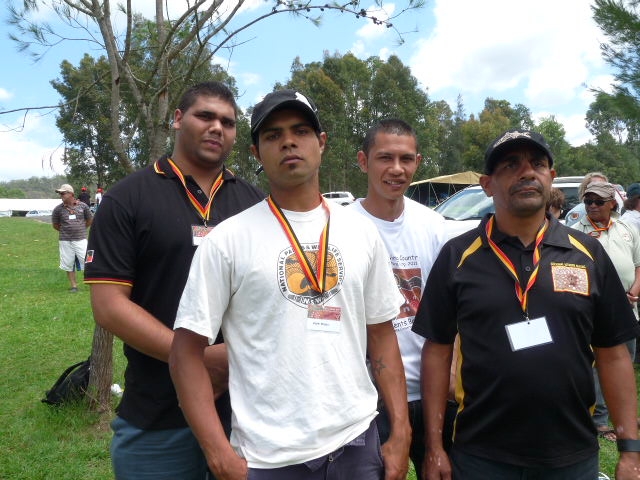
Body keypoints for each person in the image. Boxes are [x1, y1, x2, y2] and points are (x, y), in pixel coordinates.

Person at [170, 89, 411, 480]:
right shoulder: (227, 240)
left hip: (357, 445)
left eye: (300, 130)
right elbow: (185, 354)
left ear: (322, 143)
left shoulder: (360, 233)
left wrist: (400, 431)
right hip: (269, 460)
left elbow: (382, 334)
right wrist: (218, 453)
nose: (288, 142)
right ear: (256, 153)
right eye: (272, 135)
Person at [413, 129, 640, 479]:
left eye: (537, 163)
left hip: (572, 455)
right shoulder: (457, 256)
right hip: (480, 456)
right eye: (510, 165)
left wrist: (630, 450)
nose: (527, 172)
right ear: (488, 184)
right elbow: (437, 350)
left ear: (551, 176)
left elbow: (613, 353)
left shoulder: (588, 254)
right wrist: (434, 446)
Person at [84, 81, 265, 480]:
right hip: (158, 415)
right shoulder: (127, 198)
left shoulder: (254, 204)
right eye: (205, 116)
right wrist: (195, 358)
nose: (217, 127)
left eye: (228, 122)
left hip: (246, 414)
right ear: (178, 119)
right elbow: (109, 306)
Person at [347, 118, 447, 476]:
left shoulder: (434, 226)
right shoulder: (340, 228)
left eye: (406, 159)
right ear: (363, 161)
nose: (396, 169)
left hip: (434, 391)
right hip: (369, 396)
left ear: (417, 163)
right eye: (384, 158)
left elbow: (452, 310)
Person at [572, 181, 640, 441]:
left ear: (613, 203)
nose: (592, 206)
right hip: (594, 312)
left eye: (598, 202)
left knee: (626, 361)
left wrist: (634, 291)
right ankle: (599, 419)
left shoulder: (627, 228)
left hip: (628, 307)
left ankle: (623, 417)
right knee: (596, 365)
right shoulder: (576, 232)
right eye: (588, 201)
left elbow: (638, 264)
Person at [52, 183, 92, 292]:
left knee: (89, 260)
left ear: (71, 194)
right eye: (60, 193)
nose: (61, 195)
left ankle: (93, 284)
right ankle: (74, 286)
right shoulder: (57, 209)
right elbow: (55, 225)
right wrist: (66, 231)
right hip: (65, 241)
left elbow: (89, 220)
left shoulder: (83, 206)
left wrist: (81, 229)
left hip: (81, 239)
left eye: (63, 193)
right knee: (68, 263)